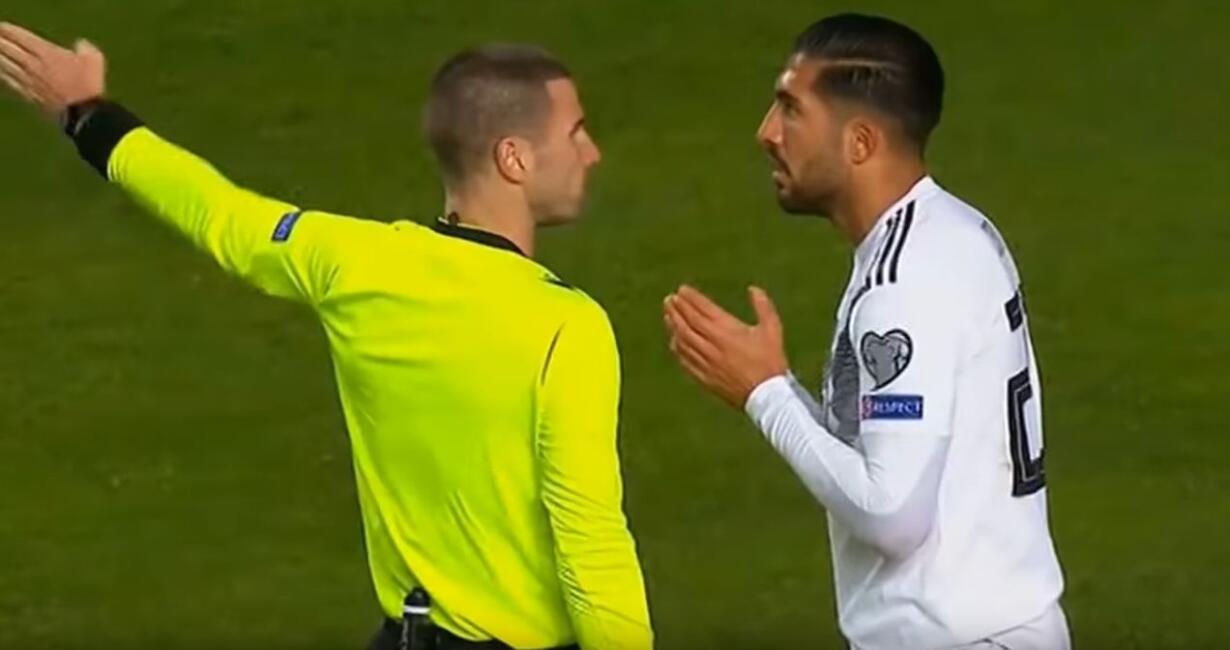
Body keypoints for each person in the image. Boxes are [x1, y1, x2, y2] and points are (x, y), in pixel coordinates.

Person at [0, 22, 652, 650]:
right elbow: (591, 541)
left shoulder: (353, 264)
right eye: (576, 132)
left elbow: (220, 215)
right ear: (514, 157)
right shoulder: (566, 326)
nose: (592, 151)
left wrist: (88, 115)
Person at [662, 14, 1068, 650]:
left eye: (791, 110)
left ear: (860, 142)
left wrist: (765, 395)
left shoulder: (903, 283)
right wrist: (774, 385)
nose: (767, 132)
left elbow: (892, 513)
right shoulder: (956, 230)